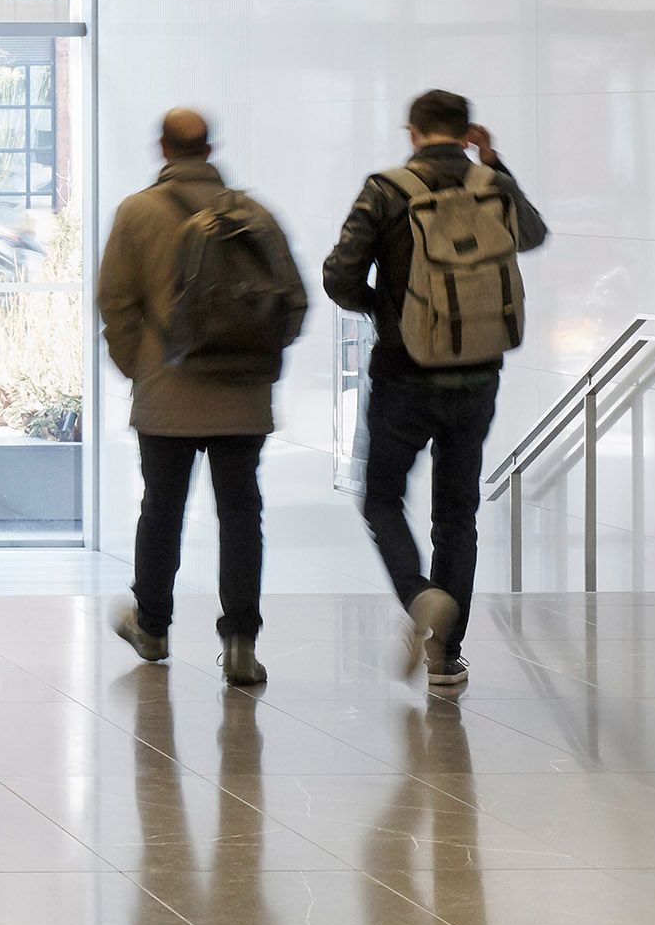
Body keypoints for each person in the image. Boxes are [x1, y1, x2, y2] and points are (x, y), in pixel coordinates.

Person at [323, 88, 549, 693]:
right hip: (479, 374)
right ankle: (447, 661)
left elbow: (339, 274)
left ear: (413, 131)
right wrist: (494, 163)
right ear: (467, 131)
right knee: (457, 516)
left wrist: (384, 310)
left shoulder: (386, 190)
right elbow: (532, 234)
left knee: (381, 498)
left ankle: (419, 595)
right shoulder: (490, 186)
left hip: (404, 373)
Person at [97, 109, 298, 688]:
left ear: (163, 148)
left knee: (162, 509)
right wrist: (257, 360)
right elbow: (294, 302)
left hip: (168, 394)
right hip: (243, 397)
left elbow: (114, 302)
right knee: (240, 513)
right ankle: (240, 642)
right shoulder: (254, 215)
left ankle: (153, 627)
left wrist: (141, 366)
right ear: (210, 148)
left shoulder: (137, 213)